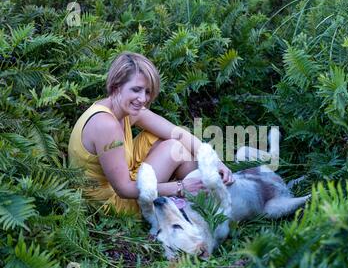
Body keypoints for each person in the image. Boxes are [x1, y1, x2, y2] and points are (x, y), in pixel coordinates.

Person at [68, 52, 233, 214]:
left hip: (126, 176)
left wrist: (215, 162)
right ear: (116, 87)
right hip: (110, 202)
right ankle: (208, 198)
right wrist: (180, 188)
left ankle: (208, 187)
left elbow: (178, 134)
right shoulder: (106, 125)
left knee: (175, 143)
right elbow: (123, 190)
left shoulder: (121, 108)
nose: (143, 99)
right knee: (174, 149)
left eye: (147, 91)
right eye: (136, 89)